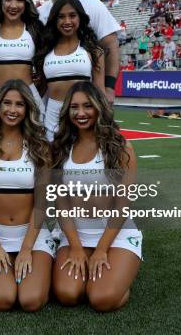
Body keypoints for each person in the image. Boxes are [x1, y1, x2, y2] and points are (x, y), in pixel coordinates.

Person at [51, 75, 142, 312]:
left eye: (87, 105)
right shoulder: (61, 147)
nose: (81, 113)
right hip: (76, 233)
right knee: (67, 294)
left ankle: (120, 275)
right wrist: (76, 247)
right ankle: (102, 273)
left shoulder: (120, 147)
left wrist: (102, 250)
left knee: (101, 299)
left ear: (99, 107)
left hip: (114, 234)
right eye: (74, 107)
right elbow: (61, 204)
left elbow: (124, 204)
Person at [0, 79, 54, 311]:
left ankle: (42, 270)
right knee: (4, 299)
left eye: (19, 104)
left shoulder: (40, 146)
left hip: (32, 235)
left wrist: (26, 249)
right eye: (7, 103)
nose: (12, 110)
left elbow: (41, 202)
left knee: (30, 301)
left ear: (28, 109)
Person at [37, 0, 121, 104]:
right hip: (49, 102)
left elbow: (111, 47)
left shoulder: (94, 6)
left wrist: (109, 88)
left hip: (87, 101)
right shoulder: (38, 13)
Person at [36, 0, 105, 141]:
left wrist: (106, 123)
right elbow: (41, 90)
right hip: (52, 121)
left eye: (72, 16)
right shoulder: (45, 51)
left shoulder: (93, 50)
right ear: (54, 20)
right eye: (61, 17)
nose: (67, 21)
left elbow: (100, 92)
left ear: (80, 18)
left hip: (83, 118)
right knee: (52, 163)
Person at [0, 0, 45, 118]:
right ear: (0, 1)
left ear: (26, 2)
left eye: (19, 0)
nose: (13, 5)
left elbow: (44, 69)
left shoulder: (34, 29)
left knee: (35, 140)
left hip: (30, 99)